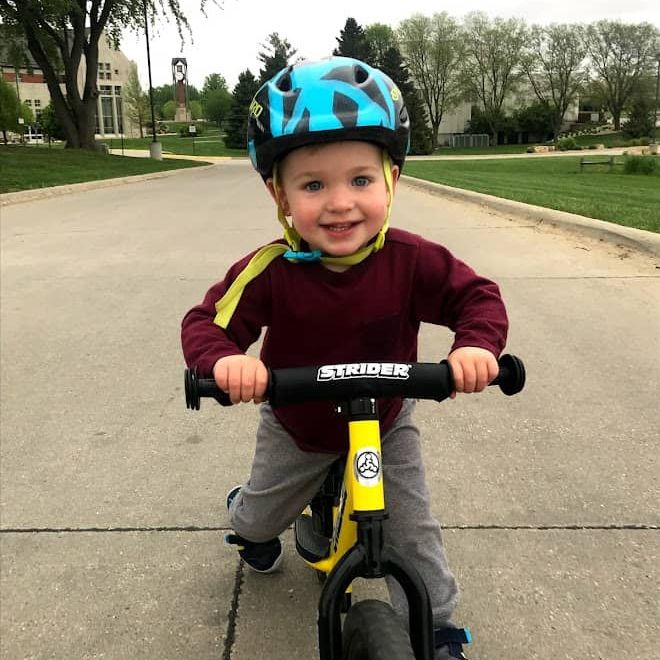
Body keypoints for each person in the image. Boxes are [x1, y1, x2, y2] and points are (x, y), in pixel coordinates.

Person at [181, 56, 508, 660]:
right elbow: (208, 324)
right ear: (279, 193)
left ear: (393, 180)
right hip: (297, 425)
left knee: (413, 531)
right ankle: (244, 514)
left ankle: (435, 628)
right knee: (257, 522)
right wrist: (225, 363)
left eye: (360, 180)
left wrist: (475, 346)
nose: (339, 204)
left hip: (385, 419)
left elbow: (476, 297)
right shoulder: (271, 270)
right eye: (313, 185)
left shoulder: (413, 259)